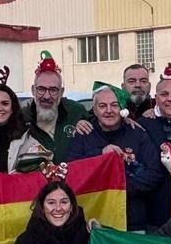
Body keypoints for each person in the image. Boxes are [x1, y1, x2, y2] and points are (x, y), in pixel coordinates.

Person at [65, 83, 164, 231]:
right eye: (103, 106)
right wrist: (100, 155)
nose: (109, 111)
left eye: (114, 105)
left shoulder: (137, 133)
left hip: (132, 221)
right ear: (95, 110)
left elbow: (154, 172)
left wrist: (120, 187)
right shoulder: (84, 134)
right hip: (92, 222)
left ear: (122, 109)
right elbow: (71, 170)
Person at [21, 51, 89, 163]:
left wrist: (125, 119)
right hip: (37, 180)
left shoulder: (76, 112)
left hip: (72, 180)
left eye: (53, 90)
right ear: (33, 90)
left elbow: (102, 123)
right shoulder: (21, 118)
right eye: (41, 89)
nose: (47, 96)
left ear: (61, 92)